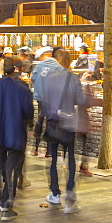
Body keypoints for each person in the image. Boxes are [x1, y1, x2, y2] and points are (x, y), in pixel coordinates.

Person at [0, 56, 33, 221]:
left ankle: (1, 196)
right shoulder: (23, 89)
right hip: (16, 132)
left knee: (0, 165)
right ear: (17, 69)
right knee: (12, 168)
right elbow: (28, 113)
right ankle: (7, 202)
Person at [42, 48, 85, 213]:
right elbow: (80, 100)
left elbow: (45, 100)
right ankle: (69, 196)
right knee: (71, 159)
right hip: (69, 123)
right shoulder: (74, 79)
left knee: (53, 159)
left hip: (53, 123)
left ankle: (54, 192)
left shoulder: (50, 79)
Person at [29, 46, 57, 157]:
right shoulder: (57, 67)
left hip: (40, 97)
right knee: (50, 123)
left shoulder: (39, 65)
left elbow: (33, 78)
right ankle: (48, 151)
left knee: (40, 120)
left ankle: (35, 148)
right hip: (51, 98)